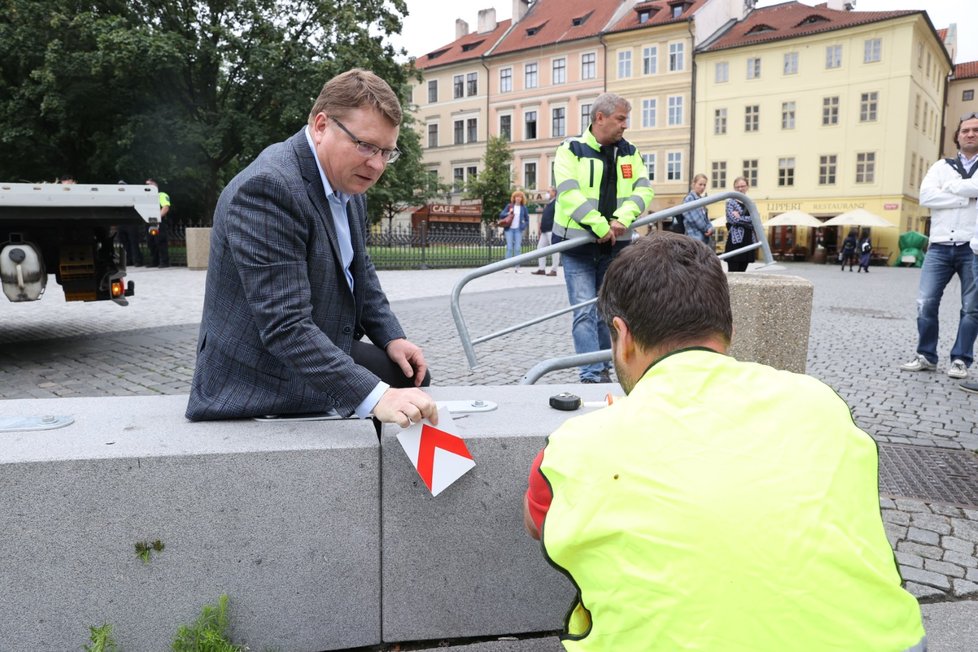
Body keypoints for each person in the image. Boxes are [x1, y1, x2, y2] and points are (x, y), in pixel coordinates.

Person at [523, 233, 926, 651]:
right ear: (727, 328)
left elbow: (537, 522)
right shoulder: (820, 402)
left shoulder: (575, 447)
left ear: (622, 336)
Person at [186, 68, 437, 429]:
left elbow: (358, 269)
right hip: (259, 371)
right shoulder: (268, 189)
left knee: (413, 377)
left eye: (386, 151)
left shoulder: (346, 181)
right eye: (365, 145)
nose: (377, 164)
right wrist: (378, 397)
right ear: (321, 126)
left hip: (314, 343)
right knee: (390, 397)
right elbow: (284, 326)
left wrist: (392, 337)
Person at [551, 92, 654, 384]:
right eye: (620, 119)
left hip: (616, 246)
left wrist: (623, 218)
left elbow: (644, 189)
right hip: (578, 247)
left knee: (609, 312)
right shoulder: (570, 149)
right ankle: (591, 374)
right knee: (584, 311)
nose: (625, 125)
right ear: (600, 118)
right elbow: (569, 194)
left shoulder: (629, 151)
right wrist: (600, 226)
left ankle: (606, 368)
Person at [900, 113, 978, 381]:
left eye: (975, 130)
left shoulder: (949, 176)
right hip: (939, 247)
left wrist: (952, 189)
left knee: (971, 308)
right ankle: (926, 356)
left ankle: (960, 359)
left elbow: (942, 194)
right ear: (957, 136)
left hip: (973, 248)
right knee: (926, 302)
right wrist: (966, 197)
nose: (970, 134)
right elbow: (926, 196)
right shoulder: (940, 166)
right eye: (965, 130)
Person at [724, 177, 755, 272]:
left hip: (748, 239)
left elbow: (755, 221)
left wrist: (740, 218)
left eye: (742, 186)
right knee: (733, 271)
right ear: (734, 188)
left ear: (747, 187)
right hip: (736, 241)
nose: (740, 189)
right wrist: (749, 220)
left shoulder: (750, 203)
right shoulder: (730, 203)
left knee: (743, 272)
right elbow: (733, 220)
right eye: (737, 187)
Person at [116, 180, 145, 267]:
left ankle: (137, 260)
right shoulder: (116, 196)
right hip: (122, 222)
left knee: (133, 242)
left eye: (122, 186)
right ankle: (129, 259)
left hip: (131, 222)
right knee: (124, 241)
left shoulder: (131, 195)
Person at [499, 190, 529, 271]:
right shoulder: (509, 206)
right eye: (517, 197)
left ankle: (517, 267)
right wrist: (508, 213)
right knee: (509, 247)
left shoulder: (524, 208)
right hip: (509, 229)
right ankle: (506, 267)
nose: (518, 198)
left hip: (518, 230)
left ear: (522, 198)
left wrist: (523, 226)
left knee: (518, 248)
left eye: (520, 197)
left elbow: (527, 219)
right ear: (514, 198)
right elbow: (501, 215)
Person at [679, 173, 713, 244]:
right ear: (694, 184)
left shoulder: (701, 200)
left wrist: (711, 228)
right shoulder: (689, 199)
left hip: (702, 239)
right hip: (694, 238)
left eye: (704, 185)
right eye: (700, 184)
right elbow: (696, 220)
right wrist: (708, 229)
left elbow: (706, 219)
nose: (702, 187)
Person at [532, 188, 559, 276]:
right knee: (540, 248)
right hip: (545, 230)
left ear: (554, 193)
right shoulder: (549, 204)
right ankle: (541, 268)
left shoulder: (556, 203)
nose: (547, 193)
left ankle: (554, 270)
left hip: (551, 230)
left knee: (554, 250)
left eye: (549, 192)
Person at [145, 178, 171, 268]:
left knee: (160, 241)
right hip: (149, 221)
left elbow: (165, 207)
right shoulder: (146, 197)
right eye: (146, 185)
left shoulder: (161, 195)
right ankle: (154, 261)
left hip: (158, 221)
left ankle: (164, 262)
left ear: (155, 185)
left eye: (149, 184)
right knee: (150, 242)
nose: (147, 186)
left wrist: (157, 218)